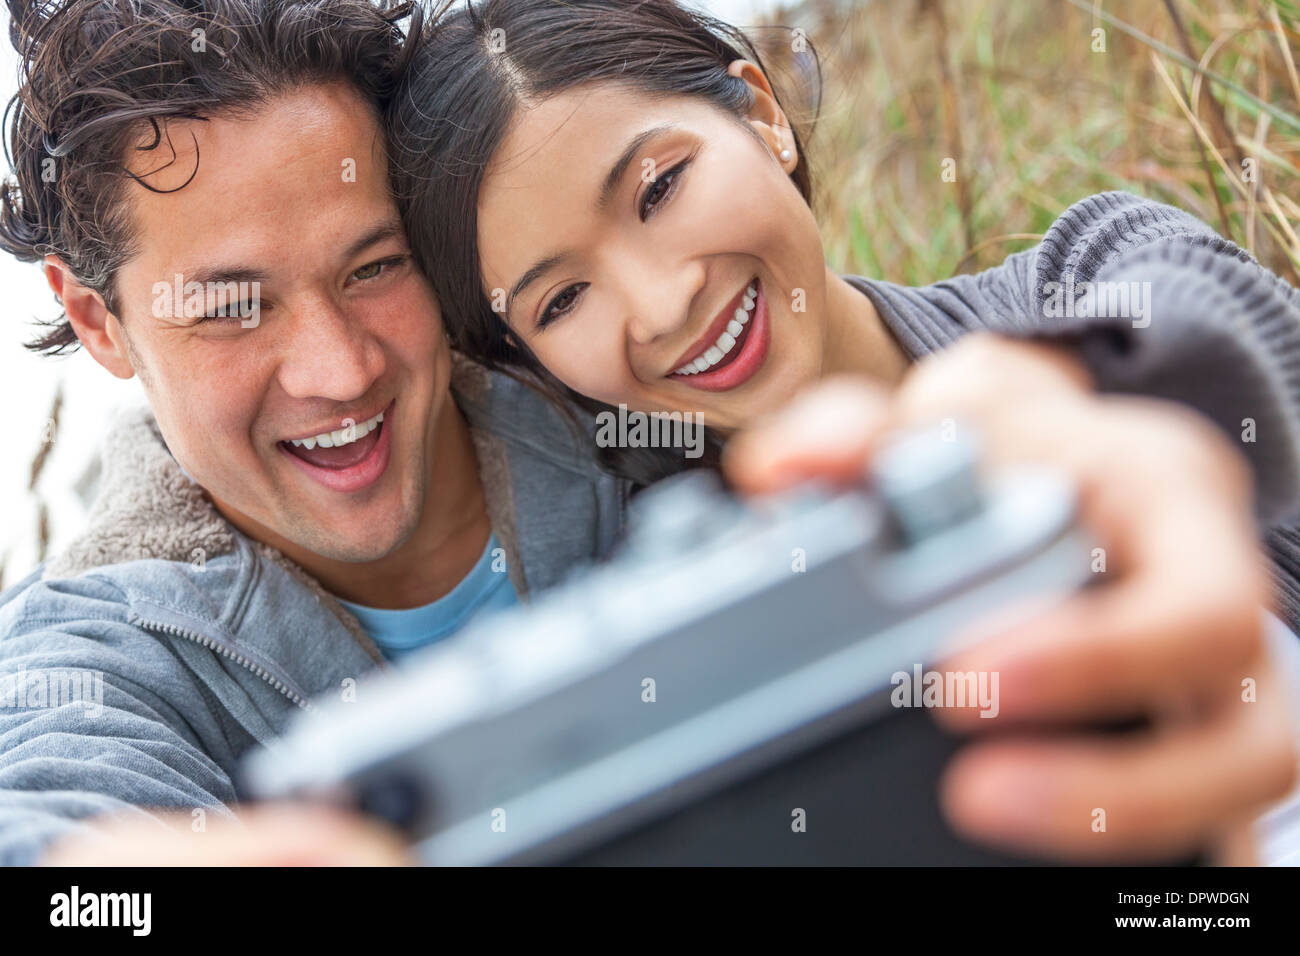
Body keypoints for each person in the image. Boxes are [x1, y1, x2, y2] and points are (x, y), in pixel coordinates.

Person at [385, 0, 1300, 860]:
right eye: (565, 299)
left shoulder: (1088, 270)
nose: (662, 307)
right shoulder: (672, 631)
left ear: (760, 113)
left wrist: (1046, 393)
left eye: (659, 188)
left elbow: (1211, 324)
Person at [0, 0, 628, 866]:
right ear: (96, 322)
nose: (340, 371)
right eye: (232, 309)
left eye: (374, 267)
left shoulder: (630, 390)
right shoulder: (88, 663)